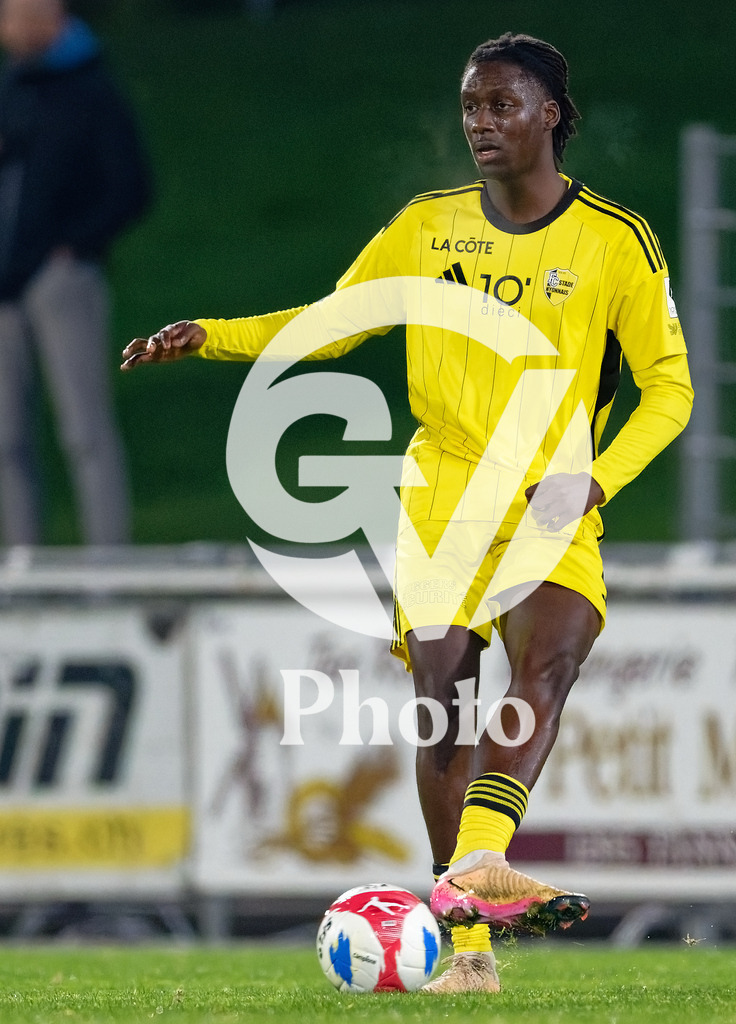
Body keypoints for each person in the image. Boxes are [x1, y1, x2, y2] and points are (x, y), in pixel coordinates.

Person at [122, 33, 693, 992]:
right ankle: (468, 937)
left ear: (550, 114)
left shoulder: (614, 241)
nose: (480, 123)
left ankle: (473, 869)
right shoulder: (424, 228)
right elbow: (330, 323)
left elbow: (668, 390)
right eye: (470, 107)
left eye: (501, 105)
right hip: (444, 497)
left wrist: (597, 479)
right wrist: (210, 336)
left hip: (551, 493)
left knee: (546, 661)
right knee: (444, 699)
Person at [0, 0, 151, 545]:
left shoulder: (91, 90)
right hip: (5, 284)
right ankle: (23, 568)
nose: (5, 28)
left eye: (12, 15)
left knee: (84, 430)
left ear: (47, 15)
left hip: (60, 281)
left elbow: (131, 186)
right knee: (6, 436)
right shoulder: (15, 88)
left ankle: (109, 569)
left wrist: (75, 247)